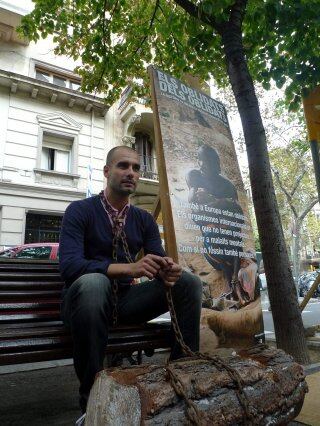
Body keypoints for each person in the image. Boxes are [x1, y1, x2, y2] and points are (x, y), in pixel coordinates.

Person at [59, 145, 202, 413]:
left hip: (123, 304)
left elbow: (155, 262)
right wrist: (129, 269)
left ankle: (183, 380)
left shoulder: (144, 219)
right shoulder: (79, 211)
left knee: (189, 283)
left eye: (136, 168)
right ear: (106, 171)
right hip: (82, 306)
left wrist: (167, 270)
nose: (131, 173)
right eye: (123, 166)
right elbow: (69, 267)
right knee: (93, 282)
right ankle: (91, 400)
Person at [186, 144, 244, 295]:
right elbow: (196, 210)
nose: (204, 164)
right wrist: (222, 205)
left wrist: (214, 201)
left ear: (216, 162)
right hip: (213, 252)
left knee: (230, 236)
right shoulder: (194, 176)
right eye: (201, 160)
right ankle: (232, 280)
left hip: (230, 243)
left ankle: (233, 281)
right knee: (214, 237)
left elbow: (238, 217)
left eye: (209, 160)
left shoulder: (227, 185)